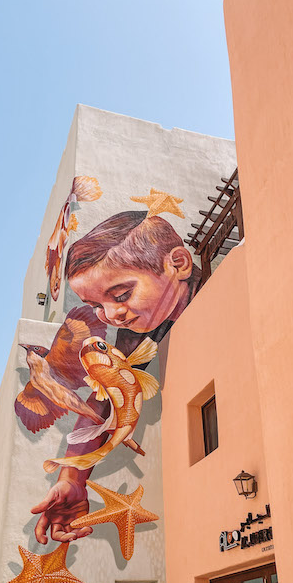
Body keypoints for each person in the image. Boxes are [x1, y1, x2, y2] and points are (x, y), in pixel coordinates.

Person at [31, 200, 201, 544]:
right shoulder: (131, 338)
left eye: (122, 294)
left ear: (178, 264)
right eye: (97, 306)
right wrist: (72, 480)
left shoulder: (217, 289)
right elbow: (102, 404)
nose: (112, 314)